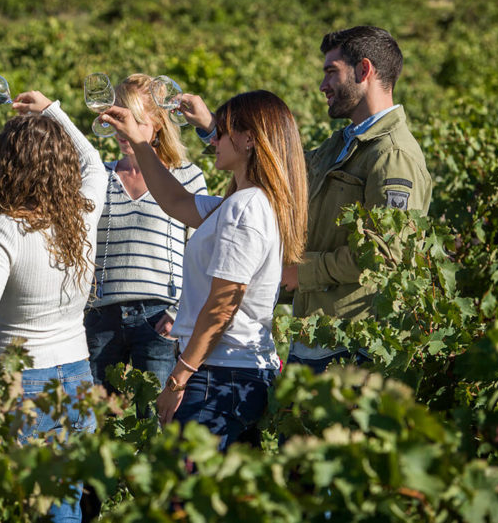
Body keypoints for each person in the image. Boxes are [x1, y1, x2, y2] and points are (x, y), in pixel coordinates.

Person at [102, 90, 307, 450]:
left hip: (217, 376)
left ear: (248, 140)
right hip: (231, 374)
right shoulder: (241, 204)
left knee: (181, 497)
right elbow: (175, 201)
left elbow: (222, 306)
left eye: (223, 131)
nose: (215, 140)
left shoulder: (244, 209)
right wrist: (141, 142)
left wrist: (178, 379)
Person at [0, 90, 106, 522]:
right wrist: (52, 112)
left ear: (7, 165)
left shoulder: (2, 229)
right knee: (66, 501)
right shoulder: (81, 214)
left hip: (20, 381)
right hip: (78, 375)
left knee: (23, 508)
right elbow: (94, 163)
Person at [270, 27, 431, 371]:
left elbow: (387, 257)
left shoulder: (392, 156)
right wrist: (214, 127)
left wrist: (303, 272)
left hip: (351, 351)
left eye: (332, 71)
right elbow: (285, 168)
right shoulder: (343, 142)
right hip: (314, 339)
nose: (322, 85)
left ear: (364, 71)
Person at [86, 74, 207, 392]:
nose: (123, 131)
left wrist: (176, 313)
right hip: (102, 316)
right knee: (95, 421)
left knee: (155, 421)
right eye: (117, 119)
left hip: (158, 317)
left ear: (157, 123)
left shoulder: (186, 176)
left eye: (135, 121)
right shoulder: (100, 175)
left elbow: (201, 251)